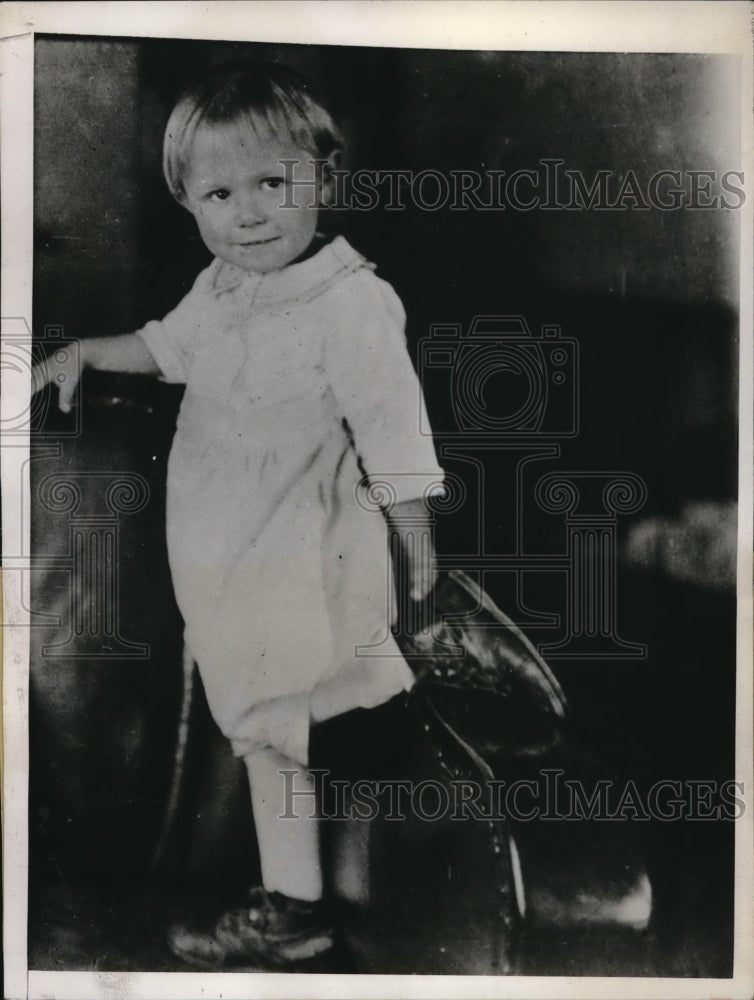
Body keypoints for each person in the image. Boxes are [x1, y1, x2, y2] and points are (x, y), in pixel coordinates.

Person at [32, 61, 444, 970]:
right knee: (275, 730)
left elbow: (391, 423)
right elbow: (163, 346)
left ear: (324, 181)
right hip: (228, 567)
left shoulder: (350, 301)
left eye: (274, 183)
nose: (249, 213)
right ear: (189, 203)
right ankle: (319, 911)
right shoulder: (217, 290)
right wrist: (83, 354)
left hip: (309, 557)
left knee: (303, 727)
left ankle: (311, 909)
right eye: (221, 193)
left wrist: (416, 532)